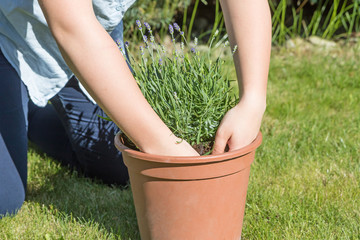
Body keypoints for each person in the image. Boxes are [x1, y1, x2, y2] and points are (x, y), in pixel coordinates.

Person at [0, 0, 271, 217]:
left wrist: (253, 99)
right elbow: (71, 26)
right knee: (5, 199)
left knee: (122, 162)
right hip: (11, 32)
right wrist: (166, 150)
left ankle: (28, 116)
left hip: (94, 27)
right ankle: (18, 105)